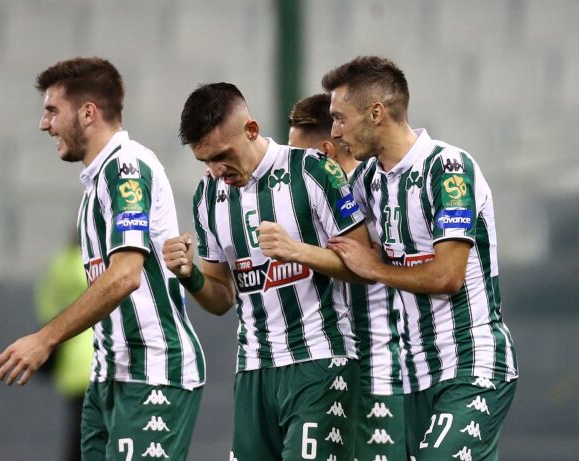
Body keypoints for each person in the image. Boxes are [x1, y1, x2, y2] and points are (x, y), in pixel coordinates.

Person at [0, 57, 205, 461]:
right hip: (107, 378)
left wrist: (44, 339)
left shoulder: (126, 170)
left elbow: (126, 276)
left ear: (88, 113)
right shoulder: (95, 185)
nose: (44, 124)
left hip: (151, 374)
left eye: (52, 111)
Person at [323, 56, 519, 461]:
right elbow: (341, 246)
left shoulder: (447, 169)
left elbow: (448, 276)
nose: (335, 131)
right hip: (415, 377)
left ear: (376, 113)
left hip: (472, 364)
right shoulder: (368, 180)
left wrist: (375, 267)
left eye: (340, 118)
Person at [162, 82, 370, 461]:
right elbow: (221, 298)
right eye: (204, 161)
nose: (215, 170)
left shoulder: (314, 171)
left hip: (320, 362)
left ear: (251, 130)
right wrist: (188, 275)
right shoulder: (207, 196)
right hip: (253, 371)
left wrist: (297, 251)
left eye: (221, 155)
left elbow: (366, 265)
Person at [289, 93, 407, 461]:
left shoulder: (372, 192)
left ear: (324, 151)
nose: (290, 166)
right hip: (329, 372)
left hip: (380, 372)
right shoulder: (311, 198)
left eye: (296, 155)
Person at [34, 234, 92, 461]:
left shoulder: (59, 264)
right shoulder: (92, 261)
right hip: (95, 360)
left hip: (71, 362)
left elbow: (46, 306)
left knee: (79, 433)